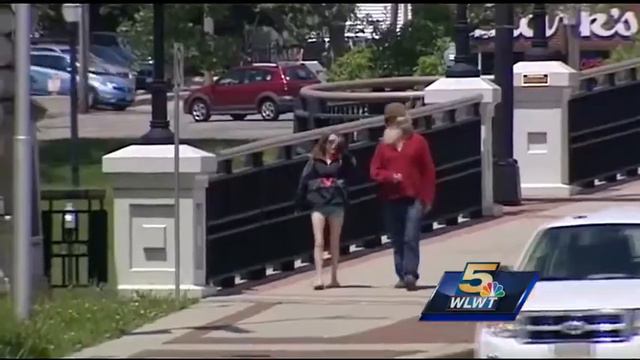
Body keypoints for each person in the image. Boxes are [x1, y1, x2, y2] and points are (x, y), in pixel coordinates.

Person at [369, 103, 436, 291]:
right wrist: (390, 177)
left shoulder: (418, 142)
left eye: (398, 120)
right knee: (397, 238)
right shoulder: (383, 146)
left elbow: (428, 171)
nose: (395, 125)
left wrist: (427, 197)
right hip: (391, 197)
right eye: (391, 121)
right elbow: (375, 171)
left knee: (411, 236)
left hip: (414, 198)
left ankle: (410, 274)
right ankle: (400, 273)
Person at [295, 133, 357, 290]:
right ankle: (318, 277)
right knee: (319, 241)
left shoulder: (342, 160)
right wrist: (299, 202)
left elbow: (353, 172)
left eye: (336, 143)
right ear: (324, 143)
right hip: (319, 203)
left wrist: (345, 150)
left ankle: (334, 277)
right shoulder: (314, 161)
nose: (333, 146)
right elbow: (304, 181)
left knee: (335, 241)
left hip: (336, 203)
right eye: (330, 142)